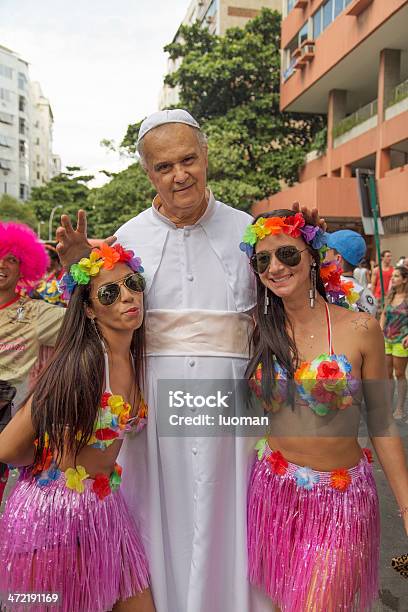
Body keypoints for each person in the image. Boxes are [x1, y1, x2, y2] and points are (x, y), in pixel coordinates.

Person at [55, 109, 324, 612]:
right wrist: (76, 270)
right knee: (162, 513)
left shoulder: (249, 232)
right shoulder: (126, 240)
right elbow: (101, 318)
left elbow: (292, 301)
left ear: (205, 157)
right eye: (163, 167)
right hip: (155, 405)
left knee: (231, 509)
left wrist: (310, 246)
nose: (179, 175)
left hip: (235, 404)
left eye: (188, 160)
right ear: (148, 173)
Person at [241, 209, 408, 610]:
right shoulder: (255, 328)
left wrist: (406, 505)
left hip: (340, 501)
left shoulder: (360, 328)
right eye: (263, 260)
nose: (275, 267)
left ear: (314, 255)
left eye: (288, 254)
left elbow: (382, 423)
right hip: (273, 492)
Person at [0, 244, 154, 612]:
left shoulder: (134, 358)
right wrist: (46, 465)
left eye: (133, 284)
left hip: (105, 512)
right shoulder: (80, 363)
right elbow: (7, 448)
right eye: (109, 293)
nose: (127, 297)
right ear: (88, 309)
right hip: (53, 518)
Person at [0, 222, 66, 405]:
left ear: (23, 270)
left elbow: (89, 320)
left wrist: (79, 269)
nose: (1, 264)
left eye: (11, 259)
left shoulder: (35, 313)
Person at [324, 229, 376, 315]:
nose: (323, 255)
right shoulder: (369, 296)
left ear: (338, 259)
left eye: (327, 250)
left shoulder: (328, 289)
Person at [380, 266, 408, 420]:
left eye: (397, 276)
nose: (393, 278)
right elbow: (384, 314)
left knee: (399, 374)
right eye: (393, 276)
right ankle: (389, 406)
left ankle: (400, 408)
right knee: (388, 374)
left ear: (405, 279)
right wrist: (379, 329)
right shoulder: (390, 296)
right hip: (387, 339)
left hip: (401, 341)